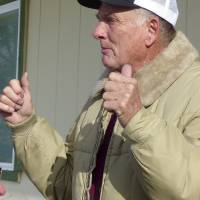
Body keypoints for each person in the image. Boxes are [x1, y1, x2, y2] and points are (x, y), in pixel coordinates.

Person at [0, 0, 200, 199]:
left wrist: (137, 119)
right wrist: (26, 125)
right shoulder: (106, 90)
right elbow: (69, 186)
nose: (96, 32)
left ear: (151, 30)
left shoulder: (194, 89)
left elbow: (190, 190)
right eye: (99, 20)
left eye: (111, 20)